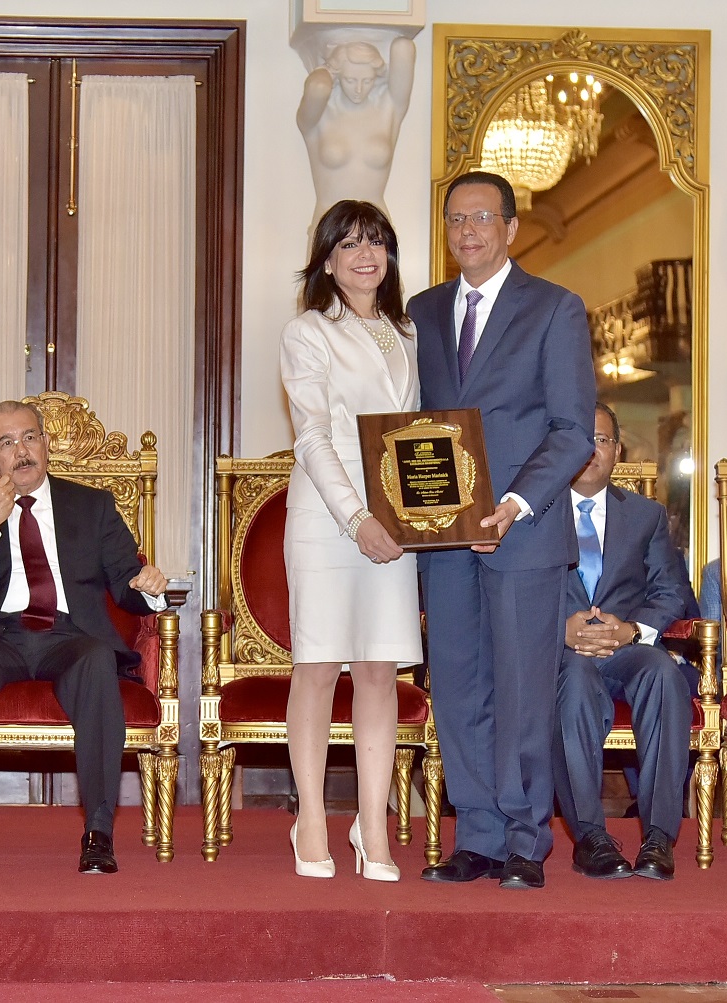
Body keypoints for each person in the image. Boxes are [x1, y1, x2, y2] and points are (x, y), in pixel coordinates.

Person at [408, 170, 596, 890]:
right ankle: (478, 834)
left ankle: (524, 838)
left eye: (483, 217)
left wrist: (513, 503)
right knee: (457, 688)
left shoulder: (554, 309)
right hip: (444, 538)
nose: (468, 231)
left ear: (511, 228)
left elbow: (572, 430)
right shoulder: (420, 313)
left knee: (520, 691)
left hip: (523, 532)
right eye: (456, 219)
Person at [0, 400, 171, 874]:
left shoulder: (91, 505)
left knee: (97, 660)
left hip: (69, 635)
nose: (22, 451)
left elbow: (125, 579)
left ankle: (98, 832)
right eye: (7, 442)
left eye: (30, 437)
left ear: (46, 443)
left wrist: (150, 588)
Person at [279, 200, 420, 882]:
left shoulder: (407, 330)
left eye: (376, 242)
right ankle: (309, 815)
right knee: (317, 665)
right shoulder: (308, 331)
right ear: (328, 259)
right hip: (327, 523)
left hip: (395, 523)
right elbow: (310, 436)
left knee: (378, 669)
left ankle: (372, 820)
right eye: (350, 244)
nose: (365, 255)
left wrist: (420, 517)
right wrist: (355, 517)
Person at [553, 404, 698, 882]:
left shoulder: (647, 516)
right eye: (581, 436)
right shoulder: (536, 514)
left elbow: (671, 589)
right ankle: (590, 836)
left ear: (617, 451)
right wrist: (561, 629)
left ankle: (659, 837)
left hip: (629, 648)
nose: (591, 449)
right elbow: (516, 592)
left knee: (662, 672)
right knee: (573, 683)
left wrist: (632, 630)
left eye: (602, 439)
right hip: (563, 652)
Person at [297, 37, 415, 232]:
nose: (359, 89)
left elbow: (404, 47)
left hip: (376, 227)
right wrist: (325, 69)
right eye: (350, 80)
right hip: (328, 228)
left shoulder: (389, 109)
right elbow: (317, 88)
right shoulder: (319, 118)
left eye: (367, 80)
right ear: (337, 76)